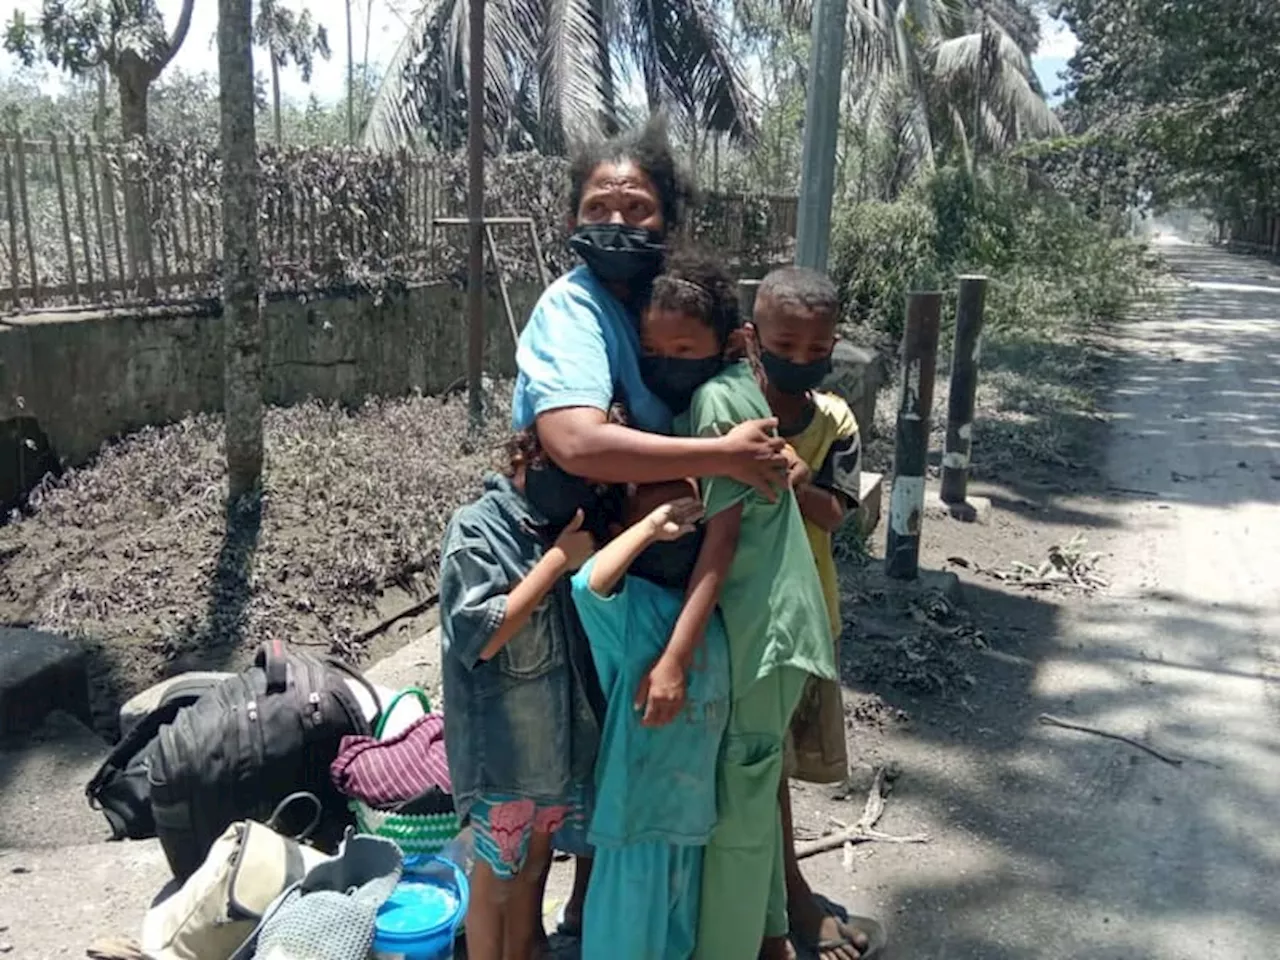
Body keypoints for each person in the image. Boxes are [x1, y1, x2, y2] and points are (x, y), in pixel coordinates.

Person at [511, 114, 788, 936]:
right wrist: (721, 458)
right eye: (600, 207)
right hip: (581, 559)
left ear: (668, 217)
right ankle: (543, 933)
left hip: (652, 558)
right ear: (571, 221)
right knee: (555, 768)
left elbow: (734, 402)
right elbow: (574, 439)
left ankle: (603, 911)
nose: (619, 224)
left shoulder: (660, 305)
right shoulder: (575, 310)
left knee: (620, 755)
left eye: (638, 209)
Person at [633, 250, 838, 960]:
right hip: (769, 628)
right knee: (751, 790)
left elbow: (720, 544)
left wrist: (675, 659)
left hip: (765, 631)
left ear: (728, 342)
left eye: (680, 348)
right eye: (651, 349)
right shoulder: (727, 393)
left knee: (740, 818)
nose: (665, 361)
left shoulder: (718, 405)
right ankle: (773, 935)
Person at [749, 267, 883, 960]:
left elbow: (840, 517)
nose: (800, 360)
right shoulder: (727, 408)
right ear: (754, 340)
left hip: (801, 621)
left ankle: (783, 902)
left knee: (770, 768)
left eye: (816, 348)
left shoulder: (834, 422)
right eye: (785, 345)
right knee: (751, 770)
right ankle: (783, 904)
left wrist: (800, 482)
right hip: (733, 617)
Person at [438, 431, 607, 960]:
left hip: (553, 758)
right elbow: (481, 633)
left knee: (532, 870)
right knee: (496, 881)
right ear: (526, 459)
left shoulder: (564, 526)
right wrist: (557, 561)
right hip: (501, 764)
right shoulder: (477, 530)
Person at [570, 478, 730, 960]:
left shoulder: (703, 615)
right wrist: (648, 530)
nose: (678, 523)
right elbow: (585, 584)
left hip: (690, 820)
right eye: (663, 513)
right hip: (634, 823)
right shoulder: (628, 610)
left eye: (688, 514)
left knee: (675, 946)